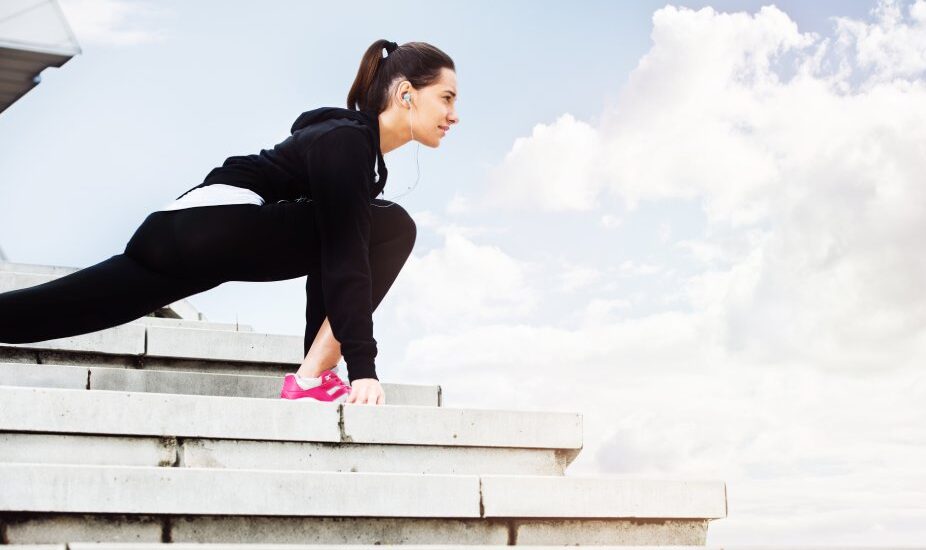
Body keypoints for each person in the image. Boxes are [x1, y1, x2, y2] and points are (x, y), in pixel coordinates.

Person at [0, 39, 460, 406]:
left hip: (179, 233)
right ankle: (312, 377)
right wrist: (364, 368)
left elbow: (330, 260)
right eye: (446, 98)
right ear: (405, 94)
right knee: (391, 227)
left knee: (71, 306)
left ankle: (313, 376)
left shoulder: (349, 148)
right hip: (215, 224)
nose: (453, 115)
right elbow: (345, 257)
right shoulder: (347, 141)